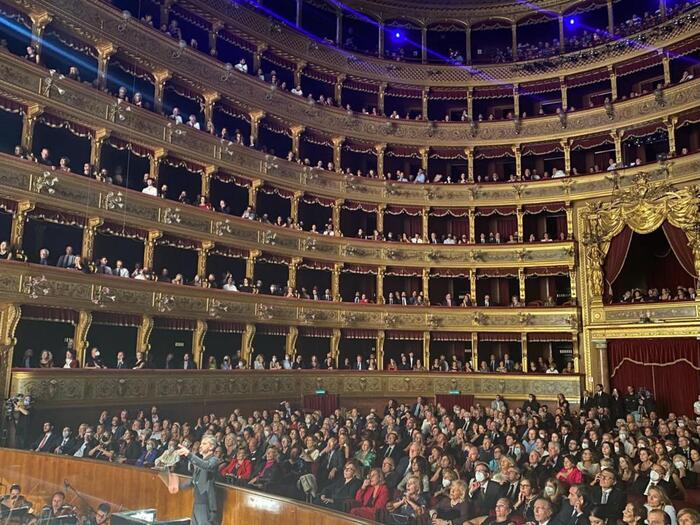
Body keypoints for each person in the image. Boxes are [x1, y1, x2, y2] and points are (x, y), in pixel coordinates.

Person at [176, 435, 220, 525]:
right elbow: (193, 481)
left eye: (204, 443)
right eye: (201, 443)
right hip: (198, 502)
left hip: (207, 503)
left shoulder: (214, 460)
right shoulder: (200, 462)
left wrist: (189, 454)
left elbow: (207, 466)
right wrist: (178, 486)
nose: (200, 445)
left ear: (211, 447)